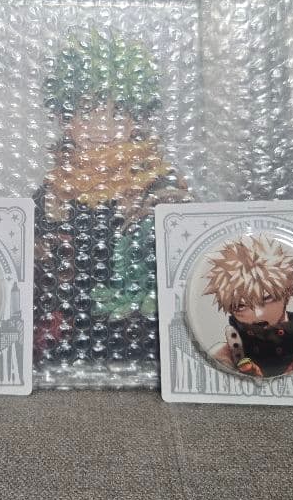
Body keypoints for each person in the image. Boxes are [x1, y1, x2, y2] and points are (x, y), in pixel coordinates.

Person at [33, 31, 192, 364]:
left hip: (149, 350)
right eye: (87, 111)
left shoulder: (161, 190)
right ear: (64, 119)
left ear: (138, 119)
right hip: (64, 353)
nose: (102, 126)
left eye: (117, 112)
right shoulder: (50, 195)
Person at [203, 235, 293, 377]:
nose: (258, 315)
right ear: (230, 309)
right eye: (241, 306)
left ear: (286, 292)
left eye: (267, 298)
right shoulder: (221, 357)